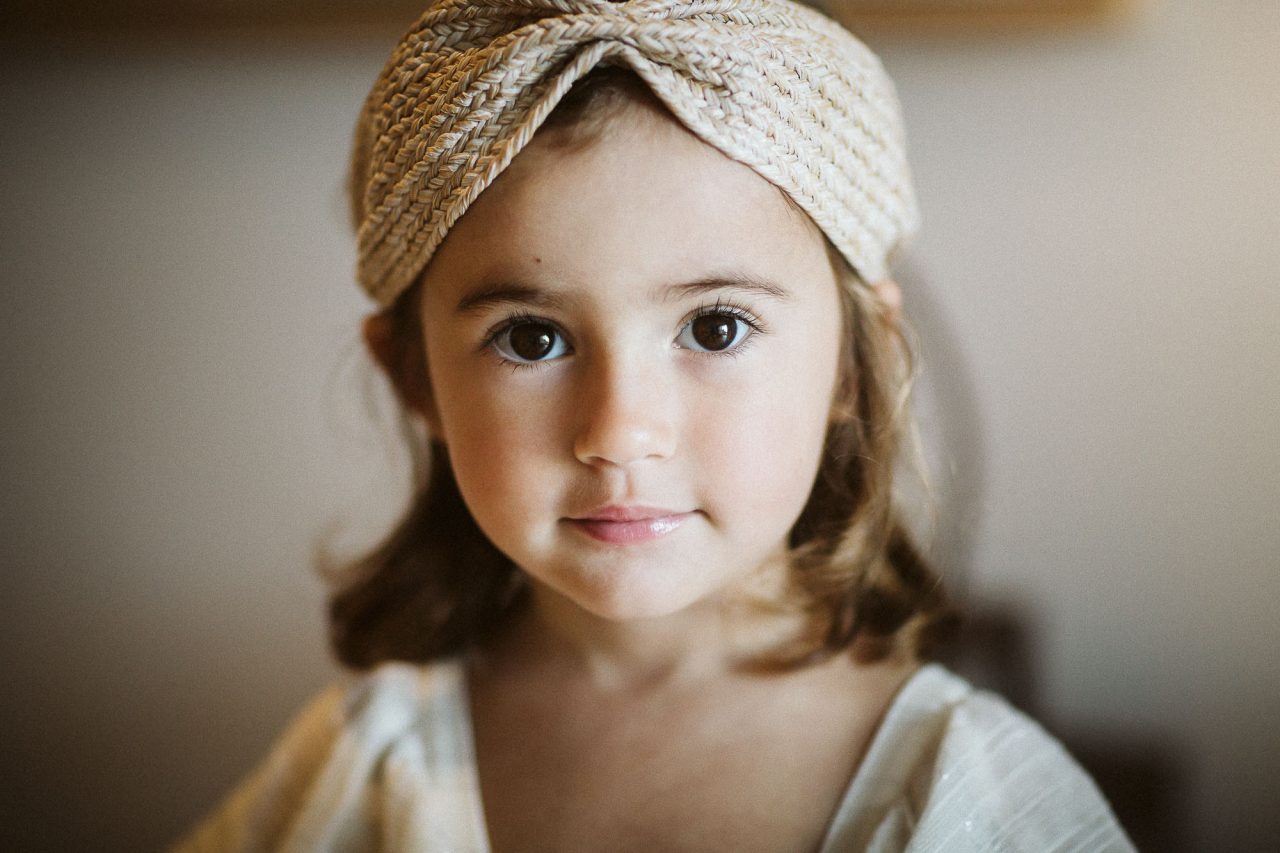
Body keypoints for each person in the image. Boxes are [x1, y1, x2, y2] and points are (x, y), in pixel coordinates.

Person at [174, 1, 1133, 850]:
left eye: (715, 327)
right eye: (532, 337)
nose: (620, 432)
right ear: (414, 378)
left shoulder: (973, 800)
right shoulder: (361, 767)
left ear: (854, 358)